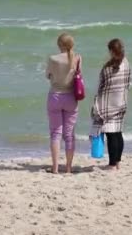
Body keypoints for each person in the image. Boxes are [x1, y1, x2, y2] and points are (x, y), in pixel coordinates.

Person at [90, 38, 132, 170]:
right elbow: (129, 82)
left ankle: (112, 164)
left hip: (108, 104)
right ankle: (118, 162)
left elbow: (101, 86)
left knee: (110, 134)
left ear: (111, 51)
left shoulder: (107, 68)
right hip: (121, 101)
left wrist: (96, 103)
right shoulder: (127, 64)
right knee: (118, 132)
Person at [45, 33, 82, 174]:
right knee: (69, 135)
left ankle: (55, 168)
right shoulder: (77, 58)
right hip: (71, 98)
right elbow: (79, 77)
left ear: (59, 45)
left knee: (55, 133)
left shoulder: (53, 59)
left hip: (55, 96)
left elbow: (47, 75)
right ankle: (68, 168)